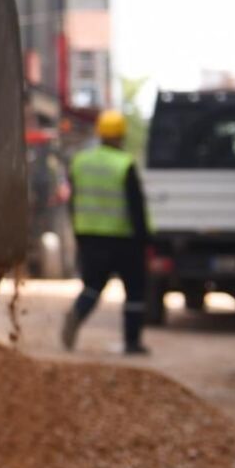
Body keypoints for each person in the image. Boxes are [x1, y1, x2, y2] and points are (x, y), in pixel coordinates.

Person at [63, 111, 154, 357]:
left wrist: (79, 233)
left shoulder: (80, 161)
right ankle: (132, 342)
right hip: (124, 239)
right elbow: (136, 206)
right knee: (135, 291)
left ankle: (77, 313)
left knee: (93, 285)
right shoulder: (123, 164)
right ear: (121, 135)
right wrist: (145, 239)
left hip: (90, 236)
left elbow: (73, 202)